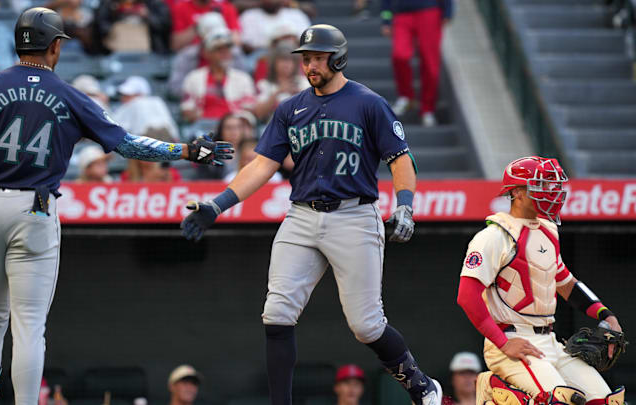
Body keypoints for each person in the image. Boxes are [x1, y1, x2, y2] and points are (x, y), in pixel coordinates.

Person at [0, 8, 233, 405]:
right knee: (29, 325)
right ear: (54, 46)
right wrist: (188, 150)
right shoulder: (71, 95)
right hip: (34, 211)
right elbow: (128, 145)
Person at [181, 24, 442, 405]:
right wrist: (216, 205)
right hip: (301, 216)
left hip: (354, 216)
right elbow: (261, 165)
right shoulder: (290, 108)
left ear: (337, 58)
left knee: (366, 325)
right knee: (276, 314)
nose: (309, 65)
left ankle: (421, 385)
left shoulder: (368, 102)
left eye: (317, 57)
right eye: (305, 58)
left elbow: (400, 159)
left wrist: (405, 204)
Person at [456, 157, 626, 405]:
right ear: (517, 192)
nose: (551, 193)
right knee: (556, 401)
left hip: (551, 341)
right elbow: (467, 297)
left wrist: (605, 315)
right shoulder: (494, 236)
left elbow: (566, 282)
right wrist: (503, 344)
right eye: (540, 186)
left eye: (552, 186)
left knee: (606, 401)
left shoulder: (548, 230)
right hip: (511, 340)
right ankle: (497, 389)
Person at [380, 0, 452, 127]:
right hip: (402, 13)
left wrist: (448, 11)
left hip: (429, 11)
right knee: (399, 56)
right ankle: (406, 96)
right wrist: (386, 19)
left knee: (430, 64)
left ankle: (427, 109)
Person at [180, 29, 256, 124]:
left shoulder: (243, 78)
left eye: (227, 48)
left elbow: (250, 109)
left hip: (234, 127)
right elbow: (186, 110)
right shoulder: (193, 78)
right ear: (207, 53)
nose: (225, 53)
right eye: (218, 49)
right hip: (203, 127)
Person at [113, 75, 179, 142]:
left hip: (143, 141)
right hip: (161, 142)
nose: (123, 98)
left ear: (140, 94)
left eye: (127, 95)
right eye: (123, 95)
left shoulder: (135, 103)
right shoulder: (157, 101)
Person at [253, 44, 310, 121]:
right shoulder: (265, 84)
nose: (287, 64)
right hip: (273, 125)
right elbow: (259, 113)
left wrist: (300, 95)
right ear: (274, 63)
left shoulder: (304, 82)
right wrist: (278, 92)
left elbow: (314, 109)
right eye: (283, 60)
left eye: (291, 61)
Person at [94, 0, 172, 53]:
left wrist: (147, 16)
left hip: (150, 52)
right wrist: (115, 16)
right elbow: (100, 26)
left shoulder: (153, 3)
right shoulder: (109, 3)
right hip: (115, 53)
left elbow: (165, 25)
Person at [238, 0, 310, 54]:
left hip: (295, 53)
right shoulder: (249, 15)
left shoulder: (296, 14)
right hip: (262, 55)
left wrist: (290, 39)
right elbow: (244, 46)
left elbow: (309, 40)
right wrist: (273, 43)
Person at [170, 0, 241, 52]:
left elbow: (236, 41)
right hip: (194, 56)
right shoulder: (181, 7)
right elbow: (175, 45)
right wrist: (199, 26)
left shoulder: (225, 7)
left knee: (236, 52)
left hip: (220, 50)